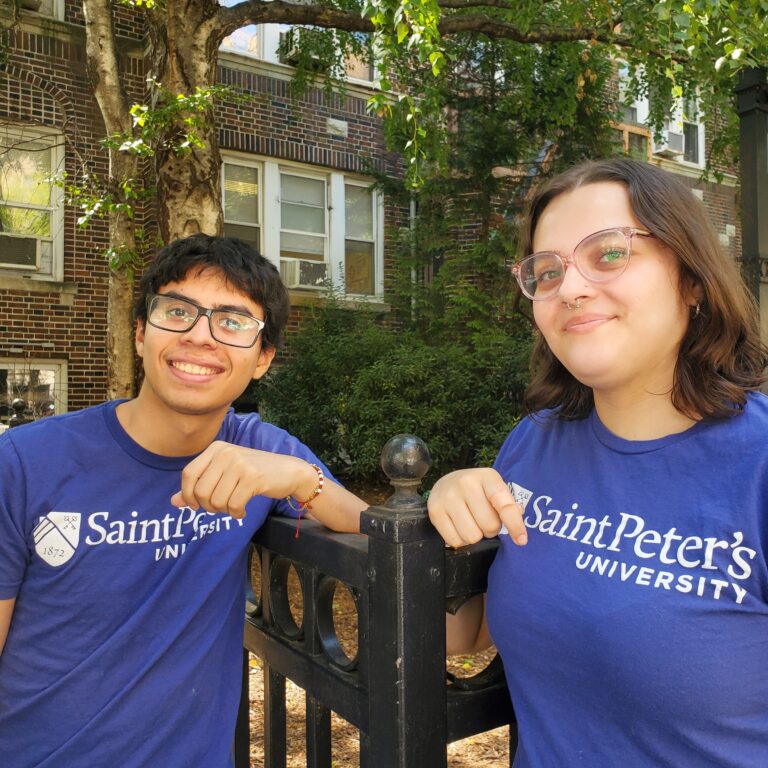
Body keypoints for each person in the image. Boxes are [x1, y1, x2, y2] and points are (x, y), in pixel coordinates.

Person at [428, 158, 768, 768]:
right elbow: (472, 632)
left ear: (692, 279)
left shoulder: (758, 463)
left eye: (609, 254)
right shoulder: (533, 444)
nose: (571, 288)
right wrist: (440, 518)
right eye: (547, 271)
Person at [0, 235, 366, 767]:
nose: (200, 336)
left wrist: (295, 476)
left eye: (233, 322)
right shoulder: (23, 462)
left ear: (263, 359)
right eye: (177, 311)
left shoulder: (259, 449)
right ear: (140, 333)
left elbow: (374, 529)